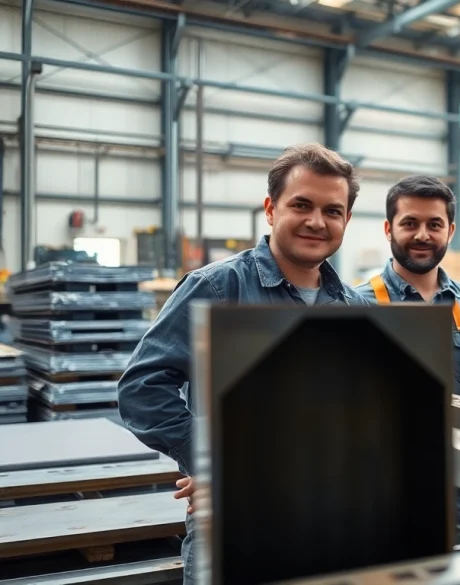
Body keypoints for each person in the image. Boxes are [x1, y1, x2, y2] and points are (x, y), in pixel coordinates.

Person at [117, 143, 369, 584]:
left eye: (332, 210)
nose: (316, 221)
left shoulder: (351, 306)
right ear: (271, 210)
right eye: (301, 205)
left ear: (346, 221)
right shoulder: (218, 287)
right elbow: (142, 387)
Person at [354, 175, 460, 546]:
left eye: (435, 224)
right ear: (388, 228)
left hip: (452, 490)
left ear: (450, 230)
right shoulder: (352, 305)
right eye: (410, 223)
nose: (423, 235)